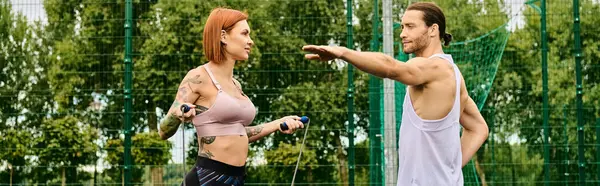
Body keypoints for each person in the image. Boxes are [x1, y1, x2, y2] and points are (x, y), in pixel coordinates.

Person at [302, 2, 488, 185]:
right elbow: (479, 128)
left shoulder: (435, 67)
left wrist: (342, 52)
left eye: (410, 27)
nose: (402, 33)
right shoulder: (454, 76)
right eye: (402, 27)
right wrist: (450, 169)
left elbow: (390, 67)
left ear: (433, 30)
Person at [158, 8, 305, 186]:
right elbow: (164, 131)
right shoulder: (198, 77)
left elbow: (237, 134)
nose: (250, 41)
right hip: (208, 178)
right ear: (223, 36)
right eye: (244, 34)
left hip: (236, 178)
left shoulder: (236, 85)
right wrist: (179, 114)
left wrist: (277, 123)